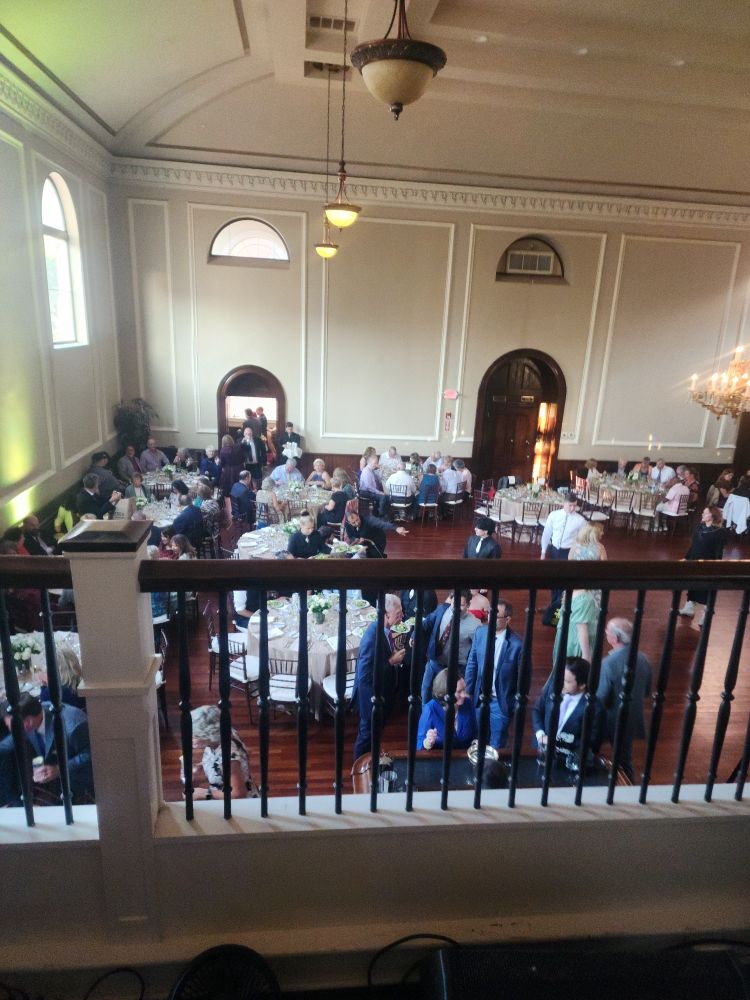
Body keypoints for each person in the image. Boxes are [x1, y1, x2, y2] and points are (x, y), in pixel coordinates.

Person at [2, 692, 94, 803]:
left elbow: (91, 754)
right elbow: (12, 740)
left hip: (81, 779)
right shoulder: (33, 717)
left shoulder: (72, 726)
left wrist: (60, 769)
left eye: (10, 726)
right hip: (54, 771)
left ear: (28, 722)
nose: (9, 729)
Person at [596, 617, 652, 781]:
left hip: (611, 718)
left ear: (615, 638)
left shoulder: (608, 663)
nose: (605, 633)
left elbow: (602, 696)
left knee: (593, 749)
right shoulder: (643, 659)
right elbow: (647, 691)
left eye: (607, 630)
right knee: (624, 757)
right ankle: (628, 787)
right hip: (632, 716)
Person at [352, 594, 406, 760]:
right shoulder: (372, 636)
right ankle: (359, 771)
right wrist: (391, 661)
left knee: (373, 735)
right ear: (385, 614)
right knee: (365, 737)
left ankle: (370, 760)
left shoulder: (383, 630)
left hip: (381, 697)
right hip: (371, 701)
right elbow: (365, 676)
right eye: (399, 613)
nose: (402, 616)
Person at [464, 600, 523, 749]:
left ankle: (493, 771)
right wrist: (469, 691)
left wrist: (514, 704)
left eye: (496, 616)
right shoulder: (481, 632)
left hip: (500, 702)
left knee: (497, 744)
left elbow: (523, 679)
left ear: (507, 619)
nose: (490, 618)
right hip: (480, 697)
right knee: (478, 737)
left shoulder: (517, 645)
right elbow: (472, 662)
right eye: (489, 613)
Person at [532, 657, 604, 761]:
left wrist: (558, 743)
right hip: (542, 752)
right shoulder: (552, 687)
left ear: (582, 685)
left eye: (566, 681)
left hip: (570, 760)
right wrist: (540, 735)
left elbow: (592, 742)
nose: (560, 683)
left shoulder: (595, 708)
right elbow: (537, 710)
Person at [420, 591, 481, 704]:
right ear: (450, 600)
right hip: (435, 662)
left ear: (468, 605)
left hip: (456, 669)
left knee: (450, 699)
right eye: (454, 603)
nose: (456, 608)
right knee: (426, 692)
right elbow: (427, 622)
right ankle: (426, 716)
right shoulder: (442, 609)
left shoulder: (475, 625)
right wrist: (415, 635)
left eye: (461, 605)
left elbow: (478, 650)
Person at [188, 705, 258, 799]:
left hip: (237, 805)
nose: (189, 738)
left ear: (208, 735)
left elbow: (239, 794)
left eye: (195, 735)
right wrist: (202, 764)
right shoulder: (220, 736)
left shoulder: (228, 757)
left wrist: (203, 793)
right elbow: (219, 761)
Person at [539, 492, 586, 619]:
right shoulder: (553, 515)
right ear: (564, 503)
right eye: (570, 505)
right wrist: (543, 552)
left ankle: (559, 610)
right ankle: (553, 606)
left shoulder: (580, 520)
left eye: (574, 506)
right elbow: (546, 534)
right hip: (554, 551)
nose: (572, 508)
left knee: (563, 582)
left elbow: (583, 540)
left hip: (569, 553)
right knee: (553, 580)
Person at [679, 506, 728, 625]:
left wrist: (716, 565)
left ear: (712, 516)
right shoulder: (699, 527)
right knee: (692, 583)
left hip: (708, 562)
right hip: (695, 560)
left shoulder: (719, 532)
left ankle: (706, 613)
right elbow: (693, 545)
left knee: (706, 587)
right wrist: (686, 557)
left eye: (705, 513)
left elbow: (718, 551)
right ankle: (689, 606)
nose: (702, 514)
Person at [417, 670, 477, 751]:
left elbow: (475, 733)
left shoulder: (467, 703)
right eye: (459, 692)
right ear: (444, 694)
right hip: (440, 760)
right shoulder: (430, 709)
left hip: (464, 758)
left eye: (464, 689)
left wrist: (475, 742)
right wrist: (427, 743)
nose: (464, 695)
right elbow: (419, 744)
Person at [552, 588, 599, 666]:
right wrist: (586, 655)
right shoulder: (584, 598)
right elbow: (581, 628)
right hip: (577, 644)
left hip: (568, 641)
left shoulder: (571, 593)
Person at [343, 509, 407, 558]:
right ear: (349, 522)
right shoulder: (348, 525)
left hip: (376, 542)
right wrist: (356, 540)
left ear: (358, 515)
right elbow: (351, 536)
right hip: (363, 543)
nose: (357, 523)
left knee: (373, 558)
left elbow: (382, 523)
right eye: (353, 523)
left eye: (357, 520)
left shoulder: (368, 520)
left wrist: (396, 528)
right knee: (349, 555)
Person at [196, 482, 221, 548]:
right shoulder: (214, 501)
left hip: (210, 529)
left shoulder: (204, 506)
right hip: (217, 525)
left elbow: (201, 520)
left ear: (201, 495)